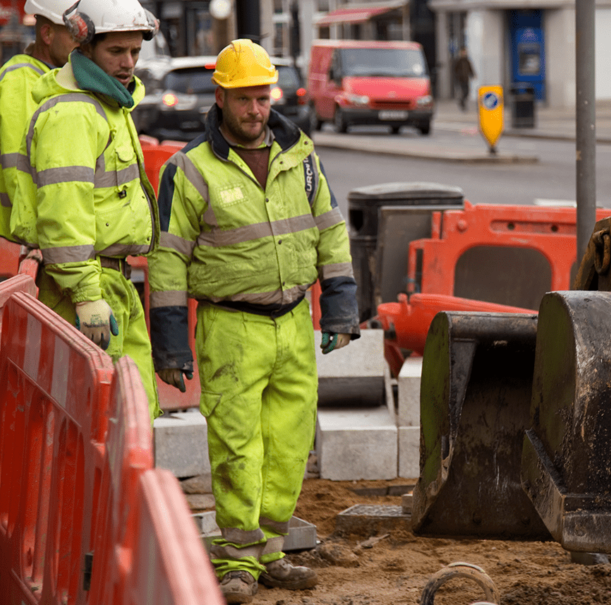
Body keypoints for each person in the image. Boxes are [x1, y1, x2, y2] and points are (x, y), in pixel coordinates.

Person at [147, 39, 359, 604]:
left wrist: (341, 307)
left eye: (262, 98)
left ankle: (271, 551)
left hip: (293, 322)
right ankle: (237, 560)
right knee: (238, 448)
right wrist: (170, 344)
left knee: (289, 445)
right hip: (231, 328)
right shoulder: (190, 169)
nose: (255, 109)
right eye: (243, 99)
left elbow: (330, 230)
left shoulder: (301, 155)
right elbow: (167, 260)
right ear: (220, 98)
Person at [20, 0, 162, 419]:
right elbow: (64, 214)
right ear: (84, 46)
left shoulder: (106, 105)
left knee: (131, 413)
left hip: (112, 282)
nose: (128, 63)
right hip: (89, 286)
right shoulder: (74, 113)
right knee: (102, 419)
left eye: (134, 51)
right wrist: (86, 295)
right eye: (115, 51)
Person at [0, 0, 78, 240]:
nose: (83, 45)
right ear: (47, 34)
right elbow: (19, 173)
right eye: (75, 36)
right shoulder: (22, 80)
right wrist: (42, 239)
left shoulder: (51, 77)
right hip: (22, 239)